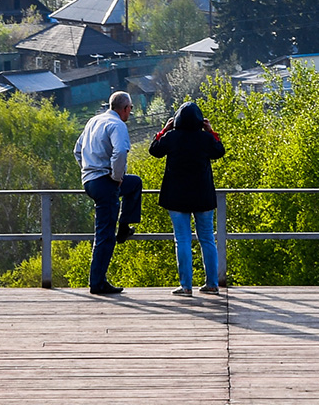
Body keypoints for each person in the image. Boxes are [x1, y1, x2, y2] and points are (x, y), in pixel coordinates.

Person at [148, 100, 226, 295]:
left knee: (182, 239)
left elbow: (154, 150)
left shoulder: (172, 137)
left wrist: (164, 130)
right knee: (207, 238)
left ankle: (186, 286)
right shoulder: (205, 139)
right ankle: (212, 283)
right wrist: (210, 131)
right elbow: (220, 151)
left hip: (176, 196)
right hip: (203, 196)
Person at [74, 91, 143, 295]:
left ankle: (124, 226)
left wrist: (88, 169)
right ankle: (97, 282)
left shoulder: (93, 121)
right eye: (130, 108)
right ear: (124, 108)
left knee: (135, 184)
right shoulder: (117, 125)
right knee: (104, 234)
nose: (130, 112)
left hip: (91, 181)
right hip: (105, 182)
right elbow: (120, 152)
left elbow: (77, 150)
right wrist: (116, 176)